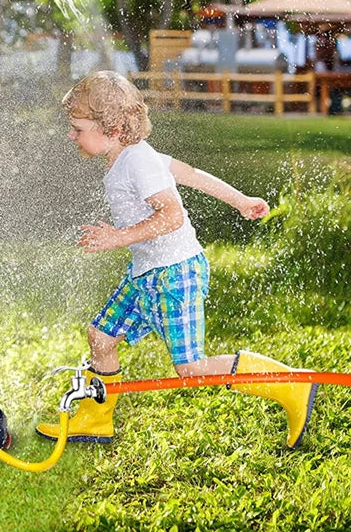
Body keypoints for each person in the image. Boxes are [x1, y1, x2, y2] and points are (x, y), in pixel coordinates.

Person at [36, 71, 317, 449]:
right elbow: (191, 174)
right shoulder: (133, 156)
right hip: (145, 273)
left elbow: (172, 216)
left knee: (191, 368)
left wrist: (119, 237)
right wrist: (240, 200)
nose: (72, 136)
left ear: (114, 127)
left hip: (174, 273)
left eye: (78, 128)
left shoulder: (137, 162)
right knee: (101, 336)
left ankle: (292, 387)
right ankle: (97, 420)